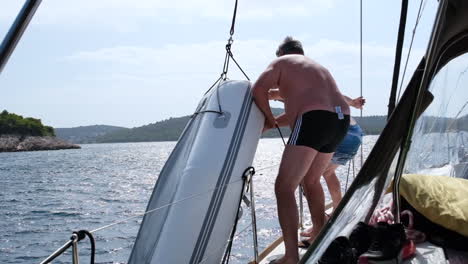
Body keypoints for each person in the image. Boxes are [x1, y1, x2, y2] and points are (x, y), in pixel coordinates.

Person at [252, 36, 350, 264]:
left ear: (283, 53)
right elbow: (307, 110)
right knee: (311, 180)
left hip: (316, 119)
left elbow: (258, 89)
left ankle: (291, 258)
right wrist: (274, 122)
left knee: (284, 187)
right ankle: (320, 235)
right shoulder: (315, 69)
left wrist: (267, 118)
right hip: (341, 119)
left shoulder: (282, 62)